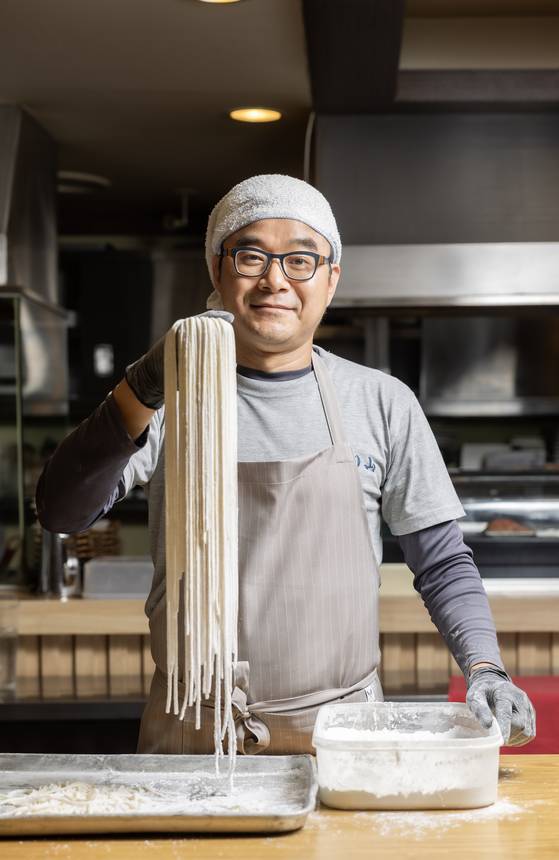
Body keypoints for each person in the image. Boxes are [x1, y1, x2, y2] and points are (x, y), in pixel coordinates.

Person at [37, 174, 535, 755]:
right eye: (250, 256)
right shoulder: (171, 399)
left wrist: (485, 668)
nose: (275, 279)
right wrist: (142, 387)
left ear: (331, 279)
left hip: (343, 741)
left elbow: (444, 563)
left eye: (301, 259)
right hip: (194, 737)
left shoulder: (382, 403)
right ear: (217, 273)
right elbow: (61, 512)